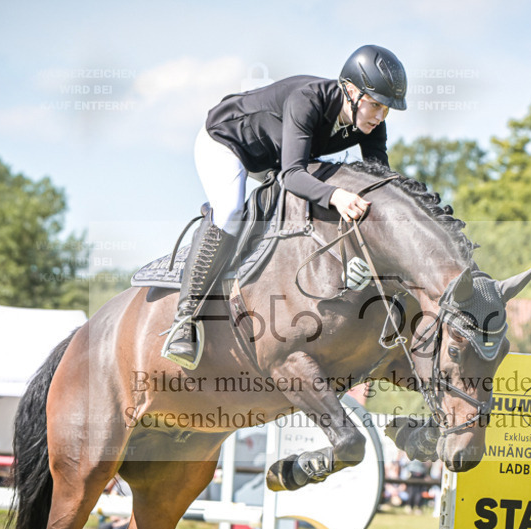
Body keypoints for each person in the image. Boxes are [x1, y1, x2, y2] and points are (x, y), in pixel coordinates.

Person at [162, 45, 409, 367]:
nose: (380, 116)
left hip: (276, 155)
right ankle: (185, 320)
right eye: (375, 105)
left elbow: (380, 183)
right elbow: (293, 174)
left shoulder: (371, 125)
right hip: (229, 142)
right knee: (230, 210)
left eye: (387, 109)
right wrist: (335, 195)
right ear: (350, 91)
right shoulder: (307, 100)